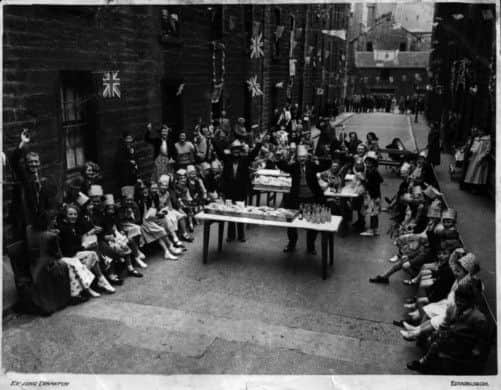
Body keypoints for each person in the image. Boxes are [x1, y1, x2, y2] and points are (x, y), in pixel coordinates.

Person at [406, 277, 487, 374]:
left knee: (437, 345)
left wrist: (476, 349)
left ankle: (424, 363)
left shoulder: (479, 318)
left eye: (463, 301)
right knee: (435, 338)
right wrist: (439, 332)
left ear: (471, 302)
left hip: (464, 344)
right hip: (452, 337)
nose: (459, 303)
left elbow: (482, 338)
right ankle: (425, 360)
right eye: (457, 299)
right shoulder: (455, 308)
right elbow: (446, 323)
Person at [276, 145, 329, 253]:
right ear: (297, 158)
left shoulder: (312, 165)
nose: (302, 159)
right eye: (300, 157)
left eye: (304, 157)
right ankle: (291, 244)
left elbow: (326, 165)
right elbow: (284, 167)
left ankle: (311, 246)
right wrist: (278, 158)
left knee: (312, 223)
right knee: (291, 223)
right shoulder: (294, 166)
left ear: (307, 157)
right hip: (296, 199)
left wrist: (324, 155)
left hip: (311, 198)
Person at [214, 136, 264, 242]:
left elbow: (253, 154)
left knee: (240, 212)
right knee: (230, 212)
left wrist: (259, 144)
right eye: (234, 150)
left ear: (240, 151)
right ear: (231, 151)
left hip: (241, 190)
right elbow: (219, 152)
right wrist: (212, 140)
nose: (236, 152)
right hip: (229, 190)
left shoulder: (245, 160)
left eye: (238, 150)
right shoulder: (227, 158)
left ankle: (241, 235)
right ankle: (231, 236)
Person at [26, 210, 72, 314]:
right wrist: (55, 237)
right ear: (48, 222)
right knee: (65, 266)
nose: (55, 222)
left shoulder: (28, 229)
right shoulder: (51, 236)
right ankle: (65, 299)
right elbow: (58, 255)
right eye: (53, 220)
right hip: (47, 266)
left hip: (33, 265)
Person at [360, 152, 383, 237]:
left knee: (373, 213)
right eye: (366, 162)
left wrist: (363, 180)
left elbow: (369, 184)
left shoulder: (371, 172)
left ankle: (371, 231)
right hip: (377, 195)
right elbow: (381, 180)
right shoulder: (374, 170)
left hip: (373, 195)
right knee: (375, 213)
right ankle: (374, 229)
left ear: (373, 163)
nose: (367, 163)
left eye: (369, 162)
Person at [463, 127, 491, 193]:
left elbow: (487, 150)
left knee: (478, 175)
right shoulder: (477, 138)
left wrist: (482, 156)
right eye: (479, 131)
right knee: (472, 173)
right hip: (474, 158)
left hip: (480, 158)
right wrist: (471, 152)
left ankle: (476, 188)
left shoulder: (487, 139)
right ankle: (470, 186)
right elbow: (473, 147)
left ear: (484, 132)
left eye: (481, 131)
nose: (479, 132)